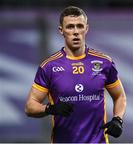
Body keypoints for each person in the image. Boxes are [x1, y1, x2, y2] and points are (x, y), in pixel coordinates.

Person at [25, 6, 126, 143]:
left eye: (79, 26)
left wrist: (117, 119)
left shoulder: (104, 63)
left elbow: (119, 96)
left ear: (86, 29)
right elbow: (30, 106)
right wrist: (49, 108)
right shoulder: (49, 67)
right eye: (70, 27)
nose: (76, 32)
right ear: (61, 30)